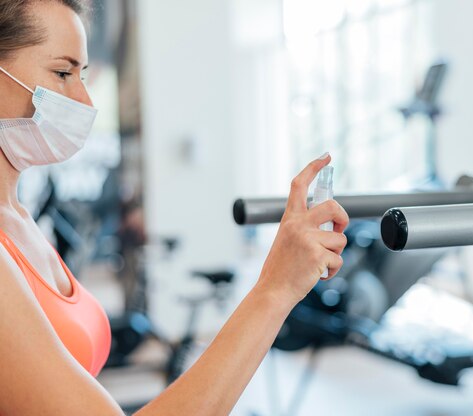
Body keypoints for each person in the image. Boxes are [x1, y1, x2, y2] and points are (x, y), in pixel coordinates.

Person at [0, 1, 349, 414]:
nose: (84, 99)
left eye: (84, 75)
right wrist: (275, 289)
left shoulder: (18, 219)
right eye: (62, 73)